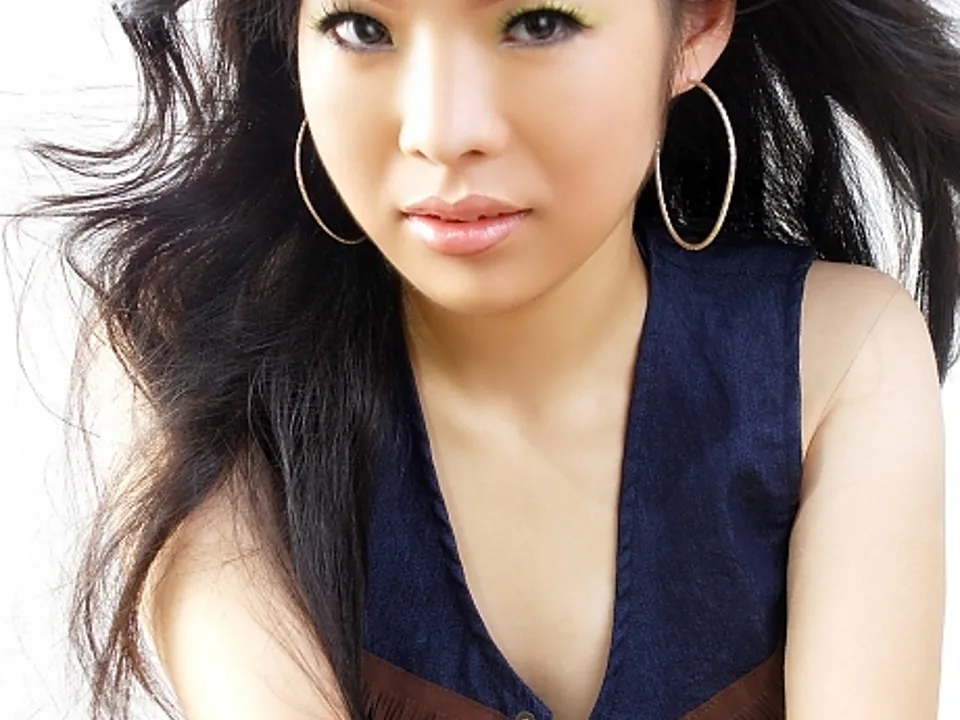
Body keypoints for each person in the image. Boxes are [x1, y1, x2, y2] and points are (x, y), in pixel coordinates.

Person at [26, 0, 959, 718]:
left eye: (537, 23)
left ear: (697, 25)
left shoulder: (834, 355)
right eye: (362, 26)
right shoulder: (184, 356)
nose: (441, 131)